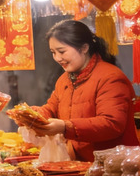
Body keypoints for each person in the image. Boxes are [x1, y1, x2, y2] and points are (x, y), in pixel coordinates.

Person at [16, 20, 140, 161]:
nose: (57, 58)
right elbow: (52, 108)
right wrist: (31, 115)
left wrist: (65, 127)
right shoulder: (64, 79)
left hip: (113, 167)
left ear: (84, 48)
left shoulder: (111, 78)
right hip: (77, 163)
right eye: (53, 52)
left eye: (62, 51)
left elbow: (112, 124)